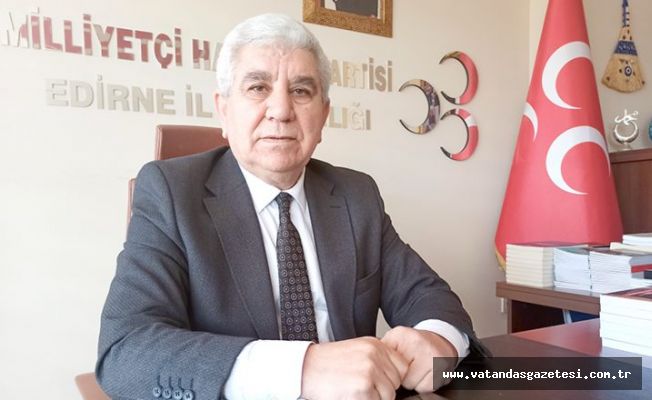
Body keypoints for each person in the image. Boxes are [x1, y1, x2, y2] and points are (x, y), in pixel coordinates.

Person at [96, 13, 488, 400]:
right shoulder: (170, 193)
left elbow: (429, 296)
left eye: (301, 91)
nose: (281, 110)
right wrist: (303, 368)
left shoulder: (355, 195)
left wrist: (438, 340)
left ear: (324, 115)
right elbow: (126, 351)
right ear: (223, 109)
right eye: (257, 88)